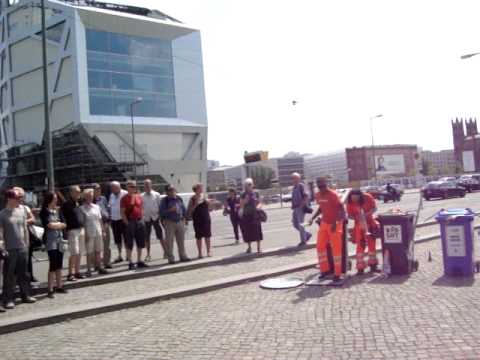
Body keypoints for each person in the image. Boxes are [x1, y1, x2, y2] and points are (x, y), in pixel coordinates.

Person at [0, 189, 36, 309]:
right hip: (10, 248)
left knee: (24, 273)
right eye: (16, 198)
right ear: (9, 199)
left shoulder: (21, 211)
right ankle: (8, 299)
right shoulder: (2, 214)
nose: (19, 200)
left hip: (22, 247)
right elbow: (0, 233)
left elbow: (25, 228)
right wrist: (3, 248)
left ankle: (25, 295)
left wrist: (27, 243)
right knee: (9, 275)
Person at [309, 177, 346, 284]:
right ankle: (324, 270)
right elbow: (321, 208)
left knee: (336, 249)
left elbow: (341, 209)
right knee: (320, 246)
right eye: (319, 185)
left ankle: (337, 274)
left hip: (335, 224)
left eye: (323, 184)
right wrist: (312, 218)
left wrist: (336, 222)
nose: (321, 187)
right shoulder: (318, 195)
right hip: (324, 224)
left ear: (326, 184)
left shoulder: (333, 194)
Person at [39, 191, 68, 299]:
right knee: (53, 264)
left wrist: (58, 225)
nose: (56, 200)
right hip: (50, 241)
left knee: (59, 264)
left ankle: (59, 286)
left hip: (60, 240)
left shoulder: (58, 210)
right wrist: (58, 225)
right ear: (50, 199)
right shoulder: (44, 212)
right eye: (55, 198)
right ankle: (50, 289)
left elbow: (64, 224)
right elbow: (48, 225)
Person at [346, 189, 380, 274]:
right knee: (360, 246)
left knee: (372, 246)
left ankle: (373, 266)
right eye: (353, 198)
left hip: (370, 223)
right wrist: (356, 217)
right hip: (358, 226)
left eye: (356, 198)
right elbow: (349, 215)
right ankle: (360, 268)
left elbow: (374, 208)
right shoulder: (349, 201)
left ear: (360, 196)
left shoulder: (368, 197)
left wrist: (366, 214)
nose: (354, 200)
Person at [80, 189, 108, 276]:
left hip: (98, 231)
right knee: (89, 251)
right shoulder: (81, 208)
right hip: (89, 232)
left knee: (98, 250)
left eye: (91, 196)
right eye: (88, 196)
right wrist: (85, 234)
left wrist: (103, 231)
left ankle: (99, 267)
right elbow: (83, 223)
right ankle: (89, 269)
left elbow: (100, 220)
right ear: (84, 197)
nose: (90, 198)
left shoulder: (96, 207)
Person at [120, 180, 148, 270]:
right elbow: (122, 212)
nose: (133, 188)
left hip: (139, 221)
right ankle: (130, 262)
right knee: (129, 243)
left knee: (140, 241)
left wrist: (142, 218)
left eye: (134, 186)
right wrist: (127, 223)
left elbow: (141, 208)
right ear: (127, 187)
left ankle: (139, 260)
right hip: (130, 221)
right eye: (131, 186)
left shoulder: (139, 197)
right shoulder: (124, 198)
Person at [160, 185, 190, 264]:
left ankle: (183, 256)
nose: (172, 191)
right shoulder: (164, 200)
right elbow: (161, 213)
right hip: (169, 222)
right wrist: (170, 210)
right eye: (170, 190)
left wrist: (185, 218)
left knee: (181, 240)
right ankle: (171, 258)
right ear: (167, 192)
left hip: (179, 221)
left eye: (173, 189)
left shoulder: (179, 198)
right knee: (169, 241)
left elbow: (183, 209)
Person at [12, 187, 37, 283]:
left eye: (22, 196)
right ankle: (16, 280)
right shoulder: (10, 208)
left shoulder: (25, 208)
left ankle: (29, 276)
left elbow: (33, 219)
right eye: (19, 196)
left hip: (26, 236)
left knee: (28, 258)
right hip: (14, 237)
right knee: (15, 260)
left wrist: (23, 222)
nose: (21, 198)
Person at [61, 185, 85, 282]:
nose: (79, 193)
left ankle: (77, 272)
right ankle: (70, 273)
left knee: (80, 252)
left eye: (79, 192)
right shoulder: (66, 204)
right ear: (71, 193)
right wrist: (65, 231)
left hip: (80, 229)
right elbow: (63, 218)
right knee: (74, 252)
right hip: (72, 230)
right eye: (77, 192)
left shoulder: (78, 203)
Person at [141, 179, 166, 262]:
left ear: (151, 185)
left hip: (156, 218)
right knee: (146, 238)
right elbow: (141, 208)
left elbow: (160, 206)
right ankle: (148, 255)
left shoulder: (157, 194)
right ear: (144, 186)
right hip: (146, 219)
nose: (147, 186)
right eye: (145, 185)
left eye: (148, 184)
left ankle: (165, 252)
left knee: (160, 236)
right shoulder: (141, 196)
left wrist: (160, 217)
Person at [238, 178, 263, 254]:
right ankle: (249, 247)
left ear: (252, 185)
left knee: (258, 231)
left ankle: (259, 248)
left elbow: (260, 202)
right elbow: (241, 205)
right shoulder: (243, 194)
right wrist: (245, 201)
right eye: (247, 185)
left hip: (255, 215)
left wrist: (259, 206)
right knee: (247, 232)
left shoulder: (256, 193)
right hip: (246, 215)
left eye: (250, 184)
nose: (248, 186)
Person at [187, 183, 212, 259]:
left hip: (206, 219)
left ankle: (208, 251)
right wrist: (196, 204)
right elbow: (189, 211)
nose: (201, 189)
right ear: (196, 189)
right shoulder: (192, 198)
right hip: (197, 220)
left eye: (201, 188)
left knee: (207, 236)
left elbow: (209, 208)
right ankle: (200, 253)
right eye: (200, 188)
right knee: (198, 237)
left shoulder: (204, 196)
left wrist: (208, 203)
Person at [291, 172, 312, 246]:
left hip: (300, 208)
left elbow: (306, 196)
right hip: (295, 208)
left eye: (294, 178)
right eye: (292, 178)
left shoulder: (301, 186)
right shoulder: (294, 187)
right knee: (295, 224)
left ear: (298, 178)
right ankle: (307, 235)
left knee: (301, 224)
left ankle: (303, 241)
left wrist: (302, 205)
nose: (293, 179)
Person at [94, 183, 112, 269]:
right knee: (96, 245)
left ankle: (106, 262)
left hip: (105, 223)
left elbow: (107, 209)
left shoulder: (103, 198)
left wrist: (108, 221)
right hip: (96, 225)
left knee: (106, 244)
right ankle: (97, 264)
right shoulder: (91, 200)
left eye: (99, 189)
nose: (98, 191)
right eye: (96, 189)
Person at [109, 181, 127, 263]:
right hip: (114, 220)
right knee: (117, 239)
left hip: (123, 220)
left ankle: (128, 254)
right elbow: (110, 207)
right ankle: (120, 255)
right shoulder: (111, 195)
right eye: (111, 188)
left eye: (113, 187)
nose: (112, 189)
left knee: (126, 238)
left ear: (118, 187)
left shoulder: (125, 194)